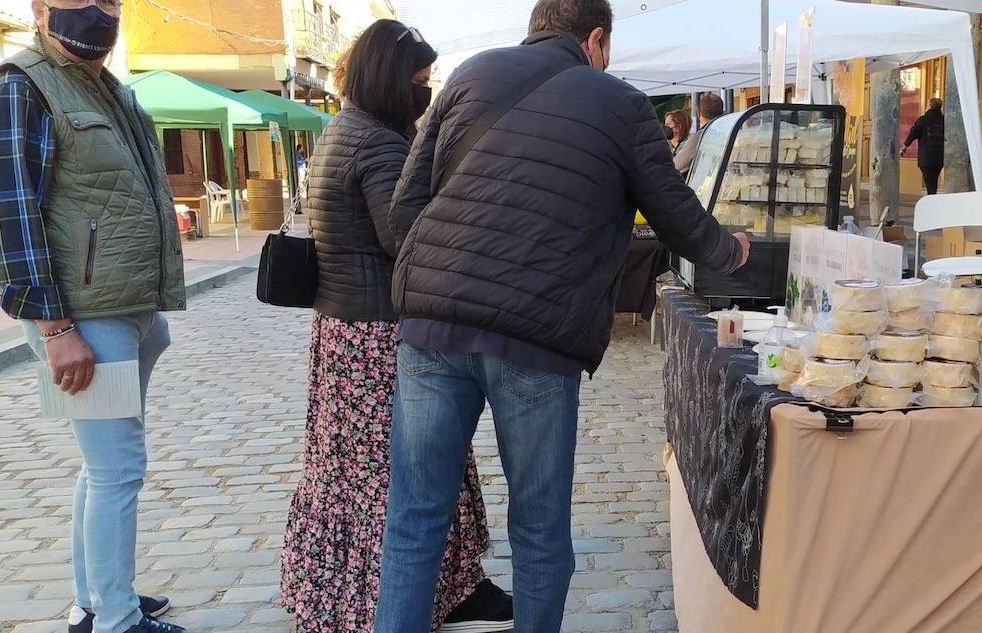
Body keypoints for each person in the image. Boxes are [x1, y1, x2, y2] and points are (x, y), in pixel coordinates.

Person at [374, 0, 750, 631]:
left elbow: (405, 208)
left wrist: (448, 272)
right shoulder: (622, 104)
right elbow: (675, 214)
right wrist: (730, 249)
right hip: (534, 339)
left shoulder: (467, 75)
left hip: (433, 330)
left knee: (414, 520)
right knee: (539, 530)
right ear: (595, 38)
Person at [279, 20, 513, 633]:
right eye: (419, 80)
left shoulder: (343, 130)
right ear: (389, 79)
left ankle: (456, 585)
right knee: (395, 476)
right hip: (376, 339)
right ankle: (375, 603)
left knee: (388, 468)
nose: (426, 91)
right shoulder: (379, 145)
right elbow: (404, 236)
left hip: (346, 332)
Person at [0, 1, 186, 632]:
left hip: (126, 309)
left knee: (102, 468)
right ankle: (116, 620)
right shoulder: (20, 84)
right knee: (119, 469)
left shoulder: (103, 86)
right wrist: (55, 328)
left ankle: (98, 599)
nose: (99, 11)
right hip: (83, 318)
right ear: (41, 9)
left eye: (111, 0)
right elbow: (12, 216)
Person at [673, 92, 725, 176]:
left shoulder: (700, 137)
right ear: (722, 112)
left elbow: (677, 165)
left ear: (698, 111)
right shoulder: (727, 132)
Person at [902, 97, 945, 195]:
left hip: (926, 157)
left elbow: (913, 133)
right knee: (933, 180)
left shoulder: (922, 120)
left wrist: (905, 146)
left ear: (929, 106)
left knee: (929, 181)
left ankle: (931, 201)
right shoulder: (944, 120)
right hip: (939, 157)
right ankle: (932, 198)